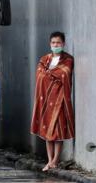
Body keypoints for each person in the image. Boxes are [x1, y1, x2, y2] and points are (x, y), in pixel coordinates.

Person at [30, 31, 75, 171]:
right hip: (45, 101)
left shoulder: (68, 59)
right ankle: (49, 161)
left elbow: (63, 74)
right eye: (54, 43)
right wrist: (52, 77)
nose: (56, 45)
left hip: (60, 100)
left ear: (63, 44)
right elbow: (39, 75)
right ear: (50, 44)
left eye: (59, 43)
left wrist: (49, 75)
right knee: (47, 133)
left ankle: (55, 160)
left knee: (58, 131)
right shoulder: (44, 59)